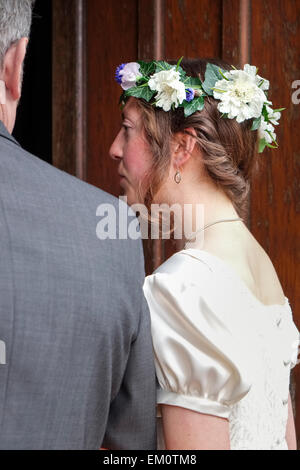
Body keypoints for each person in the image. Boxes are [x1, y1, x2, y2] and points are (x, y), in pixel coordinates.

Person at [110, 57, 300, 450]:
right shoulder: (259, 263)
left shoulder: (183, 289)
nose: (115, 149)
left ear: (181, 147)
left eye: (127, 131)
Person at [0, 0, 156, 450]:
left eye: (127, 130)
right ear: (16, 64)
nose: (112, 149)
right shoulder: (111, 233)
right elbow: (133, 445)